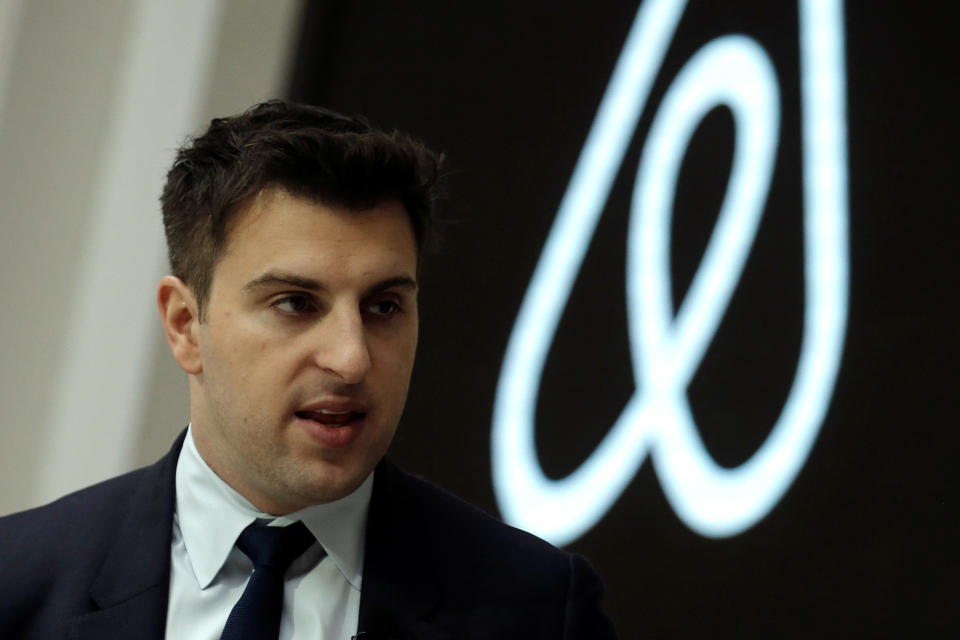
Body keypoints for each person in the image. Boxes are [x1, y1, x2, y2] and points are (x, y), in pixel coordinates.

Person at [0, 100, 617, 640]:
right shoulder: (17, 582)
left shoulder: (534, 609)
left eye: (384, 307)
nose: (352, 358)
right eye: (295, 303)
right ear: (186, 326)